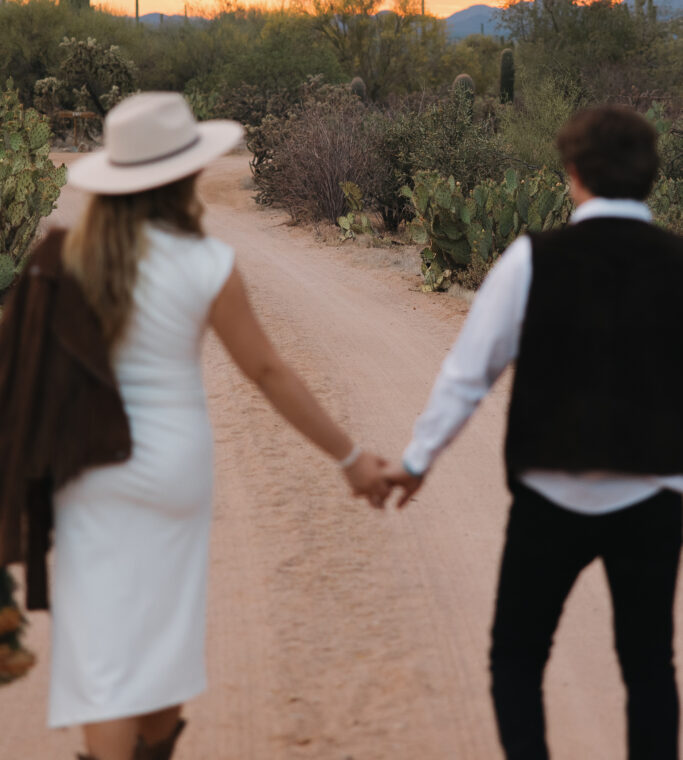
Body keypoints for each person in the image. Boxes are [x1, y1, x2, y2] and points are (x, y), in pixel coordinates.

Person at [1, 92, 390, 760]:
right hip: (175, 474)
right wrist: (348, 456)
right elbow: (267, 373)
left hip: (88, 470)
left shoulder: (59, 260)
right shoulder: (206, 264)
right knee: (162, 635)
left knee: (104, 657)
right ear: (185, 177)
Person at [387, 106, 683, 759]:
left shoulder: (530, 261)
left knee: (517, 657)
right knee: (647, 667)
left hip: (550, 496)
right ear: (652, 177)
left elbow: (468, 375)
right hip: (655, 496)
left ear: (571, 174)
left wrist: (415, 461)